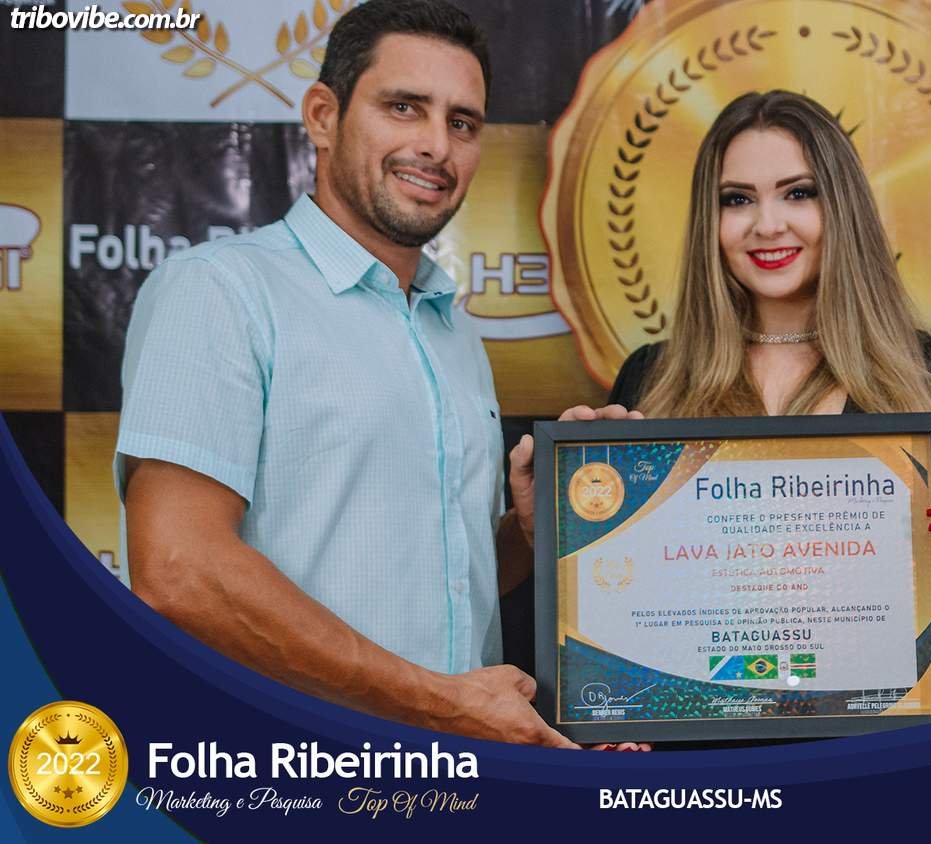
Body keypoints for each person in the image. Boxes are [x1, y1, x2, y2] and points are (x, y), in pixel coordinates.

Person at [115, 0, 632, 749]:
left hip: (460, 781)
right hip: (296, 777)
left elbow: (442, 584)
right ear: (323, 116)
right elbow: (178, 571)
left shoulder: (451, 328)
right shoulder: (221, 290)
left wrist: (526, 532)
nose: (436, 146)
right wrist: (439, 706)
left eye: (462, 122)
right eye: (403, 107)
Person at [591, 90, 931, 703]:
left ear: (841, 205)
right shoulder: (649, 379)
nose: (767, 224)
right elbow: (616, 614)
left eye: (798, 193)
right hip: (700, 747)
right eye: (737, 199)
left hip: (870, 747)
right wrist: (573, 504)